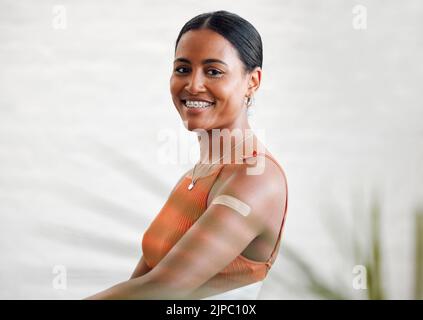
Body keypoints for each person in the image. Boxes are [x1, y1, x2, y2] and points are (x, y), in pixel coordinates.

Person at [85, 10, 288, 300]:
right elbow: (140, 283)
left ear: (252, 81)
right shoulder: (195, 176)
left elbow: (161, 289)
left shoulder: (255, 176)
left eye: (213, 71)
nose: (193, 85)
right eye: (182, 69)